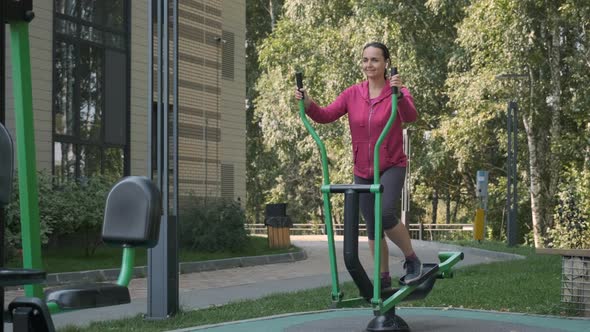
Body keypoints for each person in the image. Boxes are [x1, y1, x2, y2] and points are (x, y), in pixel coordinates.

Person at [294, 42, 422, 288]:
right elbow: (326, 115)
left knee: (384, 214)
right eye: (365, 60)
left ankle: (412, 260)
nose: (369, 65)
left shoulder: (398, 90)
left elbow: (410, 116)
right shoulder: (353, 93)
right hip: (363, 169)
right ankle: (383, 279)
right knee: (373, 227)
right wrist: (308, 103)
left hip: (391, 164)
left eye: (374, 60)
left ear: (386, 63)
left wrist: (399, 94)